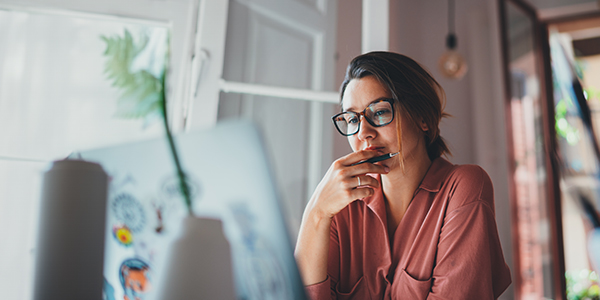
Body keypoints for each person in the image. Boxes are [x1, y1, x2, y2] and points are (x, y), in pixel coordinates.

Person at [294, 51, 511, 299]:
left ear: (422, 117)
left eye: (380, 112)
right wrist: (316, 213)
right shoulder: (341, 206)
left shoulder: (463, 188)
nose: (363, 132)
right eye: (352, 119)